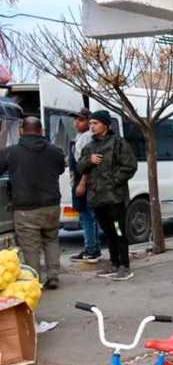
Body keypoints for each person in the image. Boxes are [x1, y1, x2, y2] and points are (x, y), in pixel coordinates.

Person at [0, 116, 66, 289]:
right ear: (41, 131)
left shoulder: (11, 152)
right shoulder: (55, 151)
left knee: (30, 247)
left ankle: (34, 281)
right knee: (51, 239)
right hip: (51, 205)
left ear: (21, 131)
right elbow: (60, 169)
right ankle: (53, 276)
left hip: (25, 209)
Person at [77, 110, 138, 281]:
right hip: (97, 199)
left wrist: (113, 182)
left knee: (118, 231)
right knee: (108, 232)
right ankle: (114, 264)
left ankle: (124, 265)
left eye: (95, 123)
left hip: (114, 199)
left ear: (105, 125)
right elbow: (80, 167)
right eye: (90, 123)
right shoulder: (89, 147)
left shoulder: (119, 143)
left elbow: (130, 166)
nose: (92, 126)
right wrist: (89, 161)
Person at [68, 108, 101, 263]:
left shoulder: (88, 137)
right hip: (79, 180)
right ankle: (93, 248)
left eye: (80, 120)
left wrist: (82, 183)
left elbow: (88, 164)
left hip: (85, 182)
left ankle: (91, 250)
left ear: (89, 122)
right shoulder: (80, 136)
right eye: (75, 120)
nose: (76, 123)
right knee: (88, 216)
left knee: (87, 216)